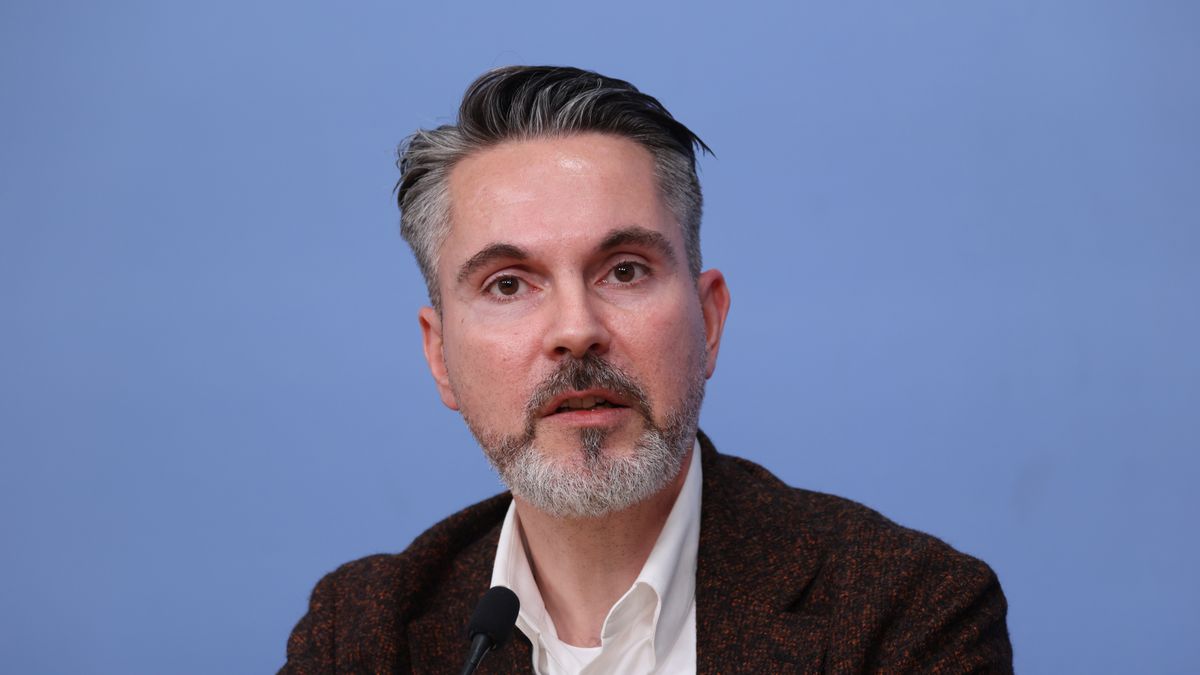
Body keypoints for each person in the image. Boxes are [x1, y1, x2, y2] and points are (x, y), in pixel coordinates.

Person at [279, 65, 1013, 674]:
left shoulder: (906, 611)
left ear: (711, 320)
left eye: (625, 271)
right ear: (440, 356)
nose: (576, 330)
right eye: (508, 283)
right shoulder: (360, 636)